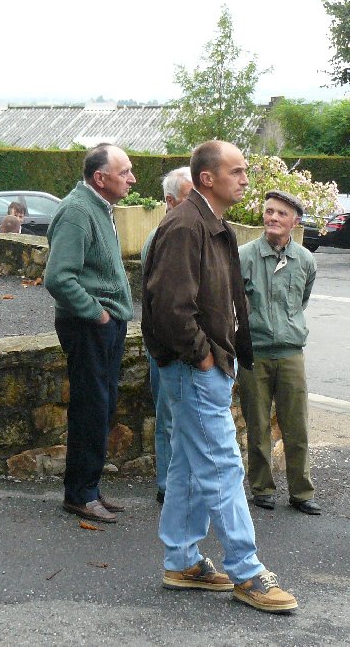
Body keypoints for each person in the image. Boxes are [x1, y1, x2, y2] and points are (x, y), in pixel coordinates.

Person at [142, 140, 298, 614]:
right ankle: (247, 572)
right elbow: (171, 308)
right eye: (237, 171)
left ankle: (182, 560)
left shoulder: (210, 223)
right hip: (195, 369)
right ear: (207, 178)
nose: (246, 179)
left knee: (189, 466)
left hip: (205, 367)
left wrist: (217, 358)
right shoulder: (186, 226)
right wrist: (204, 358)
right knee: (223, 466)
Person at [45, 143, 134, 524]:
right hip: (88, 326)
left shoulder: (98, 207)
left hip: (103, 325)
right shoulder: (78, 211)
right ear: (100, 178)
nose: (132, 178)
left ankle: (90, 489)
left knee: (102, 406)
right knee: (90, 409)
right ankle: (80, 495)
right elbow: (57, 277)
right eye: (124, 171)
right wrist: (97, 314)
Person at [237, 190, 321, 515]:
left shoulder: (305, 260)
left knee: (296, 425)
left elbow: (301, 301)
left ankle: (302, 492)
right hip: (254, 352)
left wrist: (285, 327)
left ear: (294, 222)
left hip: (290, 353)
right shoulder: (244, 256)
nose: (272, 217)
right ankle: (262, 489)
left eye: (281, 213)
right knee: (257, 425)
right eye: (269, 211)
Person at [140, 167, 194, 505]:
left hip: (191, 345)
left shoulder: (190, 230)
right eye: (190, 196)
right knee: (169, 417)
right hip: (169, 346)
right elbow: (162, 302)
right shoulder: (161, 237)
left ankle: (182, 482)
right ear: (170, 201)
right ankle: (168, 485)